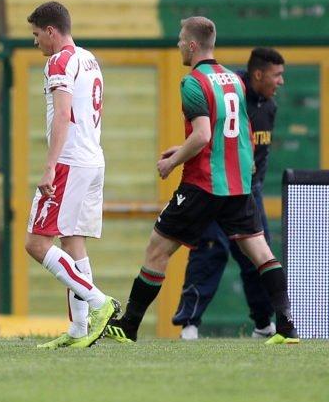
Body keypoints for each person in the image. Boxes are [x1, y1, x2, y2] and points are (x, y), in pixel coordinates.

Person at [106, 18, 299, 345]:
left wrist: (172, 161)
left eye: (181, 40)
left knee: (157, 249)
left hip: (203, 184)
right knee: (261, 252)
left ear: (193, 45)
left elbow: (203, 134)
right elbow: (234, 133)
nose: (179, 45)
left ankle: (129, 325)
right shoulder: (234, 81)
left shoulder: (193, 82)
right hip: (238, 185)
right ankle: (286, 328)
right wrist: (184, 148)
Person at [23, 1, 118, 349]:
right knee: (72, 240)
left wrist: (49, 165)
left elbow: (63, 114)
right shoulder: (89, 58)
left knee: (36, 242)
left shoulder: (59, 61)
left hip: (69, 161)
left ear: (51, 31)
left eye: (36, 34)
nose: (35, 42)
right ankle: (80, 331)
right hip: (93, 158)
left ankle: (99, 303)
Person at [173, 48, 286, 339]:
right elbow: (205, 132)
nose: (281, 82)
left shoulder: (270, 107)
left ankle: (265, 324)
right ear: (258, 74)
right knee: (210, 251)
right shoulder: (231, 90)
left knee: (257, 258)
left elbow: (259, 152)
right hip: (219, 185)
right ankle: (190, 324)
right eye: (277, 75)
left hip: (250, 191)